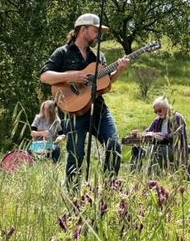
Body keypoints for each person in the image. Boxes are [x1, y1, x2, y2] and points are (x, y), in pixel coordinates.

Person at [39, 13, 130, 189]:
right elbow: (45, 76)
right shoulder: (63, 53)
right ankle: (73, 196)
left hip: (99, 110)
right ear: (83, 30)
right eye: (96, 30)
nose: (98, 35)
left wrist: (119, 70)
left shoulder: (98, 56)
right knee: (76, 155)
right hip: (74, 112)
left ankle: (109, 189)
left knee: (114, 145)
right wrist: (72, 75)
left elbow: (106, 82)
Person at [131, 96, 190, 178]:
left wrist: (161, 136)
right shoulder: (157, 120)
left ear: (167, 107)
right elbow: (148, 132)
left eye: (159, 110)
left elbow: (177, 137)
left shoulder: (177, 117)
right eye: (156, 111)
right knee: (137, 149)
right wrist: (139, 134)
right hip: (160, 149)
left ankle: (153, 177)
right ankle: (135, 175)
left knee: (156, 151)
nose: (158, 113)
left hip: (175, 149)